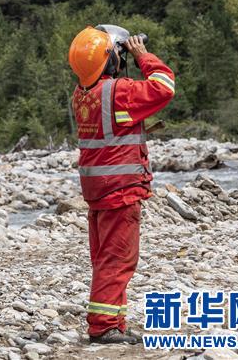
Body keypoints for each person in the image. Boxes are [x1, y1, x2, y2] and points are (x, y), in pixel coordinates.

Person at [68, 24, 175, 345]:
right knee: (119, 259)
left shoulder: (82, 94)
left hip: (97, 190)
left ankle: (114, 320)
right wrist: (143, 55)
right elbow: (164, 86)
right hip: (121, 190)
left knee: (105, 257)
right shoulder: (119, 92)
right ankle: (102, 326)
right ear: (110, 61)